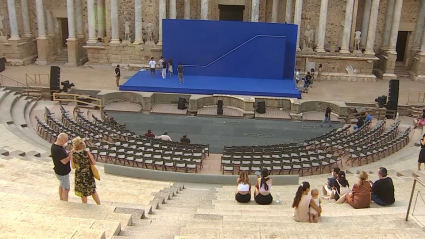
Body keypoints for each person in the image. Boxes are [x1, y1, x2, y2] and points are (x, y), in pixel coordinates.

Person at [71, 137, 101, 205]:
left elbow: (73, 166)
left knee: (83, 193)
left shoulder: (73, 154)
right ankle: (99, 204)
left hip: (79, 175)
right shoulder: (86, 152)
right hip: (88, 174)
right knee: (93, 191)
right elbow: (93, 162)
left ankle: (85, 205)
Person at [51, 133, 73, 201]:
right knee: (66, 189)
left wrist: (69, 152)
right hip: (62, 172)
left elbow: (63, 155)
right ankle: (64, 202)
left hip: (60, 170)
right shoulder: (58, 149)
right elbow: (64, 161)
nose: (66, 142)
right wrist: (70, 156)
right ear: (62, 140)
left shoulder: (57, 146)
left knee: (62, 184)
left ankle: (61, 199)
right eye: (65, 140)